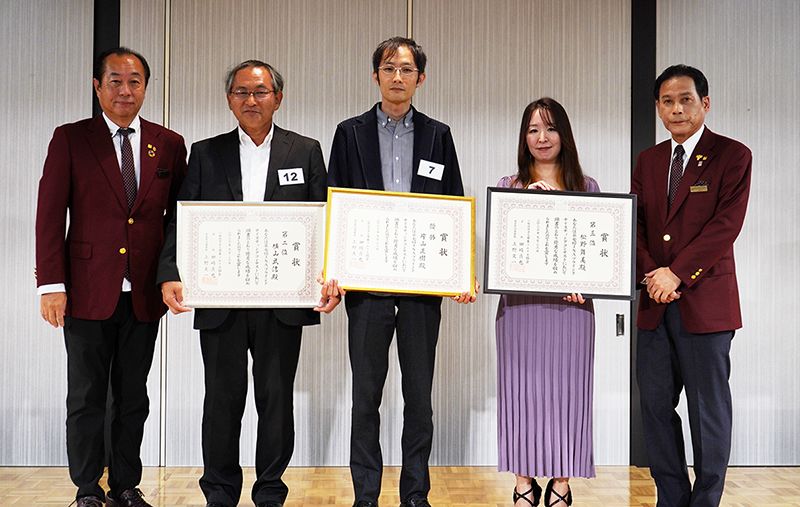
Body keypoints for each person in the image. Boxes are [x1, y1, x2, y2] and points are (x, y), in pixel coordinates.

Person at [156, 60, 330, 507]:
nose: (250, 100)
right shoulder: (206, 151)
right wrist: (170, 272)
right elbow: (181, 217)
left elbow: (323, 222)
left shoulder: (305, 150)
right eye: (240, 92)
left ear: (278, 97)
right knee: (221, 402)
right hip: (221, 299)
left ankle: (270, 491)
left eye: (260, 92)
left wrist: (328, 278)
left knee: (276, 401)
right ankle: (219, 492)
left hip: (284, 300)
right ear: (229, 98)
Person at [322, 37, 477, 507]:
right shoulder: (349, 133)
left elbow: (453, 205)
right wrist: (332, 270)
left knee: (418, 397)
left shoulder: (438, 135)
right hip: (366, 288)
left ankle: (416, 494)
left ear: (420, 79)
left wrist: (462, 273)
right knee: (365, 396)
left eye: (407, 70)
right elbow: (335, 203)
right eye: (389, 68)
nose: (397, 77)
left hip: (420, 289)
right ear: (375, 76)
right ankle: (365, 495)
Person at [35, 47, 188, 507]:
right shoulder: (71, 138)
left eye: (135, 81)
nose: (126, 90)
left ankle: (124, 483)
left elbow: (177, 220)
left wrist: (171, 275)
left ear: (146, 87)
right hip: (84, 291)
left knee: (132, 396)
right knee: (85, 397)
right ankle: (86, 488)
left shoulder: (169, 143)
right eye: (116, 81)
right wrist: (51, 285)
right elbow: (49, 215)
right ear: (98, 86)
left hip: (142, 293)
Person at [631, 64, 751, 507]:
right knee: (656, 410)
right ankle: (671, 498)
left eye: (685, 99)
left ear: (705, 103)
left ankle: (706, 501)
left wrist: (676, 273)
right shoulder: (649, 159)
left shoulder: (733, 154)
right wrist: (651, 274)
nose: (676, 108)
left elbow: (725, 226)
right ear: (658, 107)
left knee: (708, 413)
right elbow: (636, 227)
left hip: (706, 303)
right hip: (654, 303)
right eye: (667, 100)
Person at [495, 98, 597, 507]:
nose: (542, 138)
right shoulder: (508, 187)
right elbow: (501, 253)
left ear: (564, 135)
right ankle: (523, 481)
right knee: (521, 392)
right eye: (533, 130)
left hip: (572, 311)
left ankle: (561, 482)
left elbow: (596, 254)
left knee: (567, 393)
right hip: (520, 309)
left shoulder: (587, 187)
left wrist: (588, 285)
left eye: (551, 128)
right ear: (524, 138)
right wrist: (525, 205)